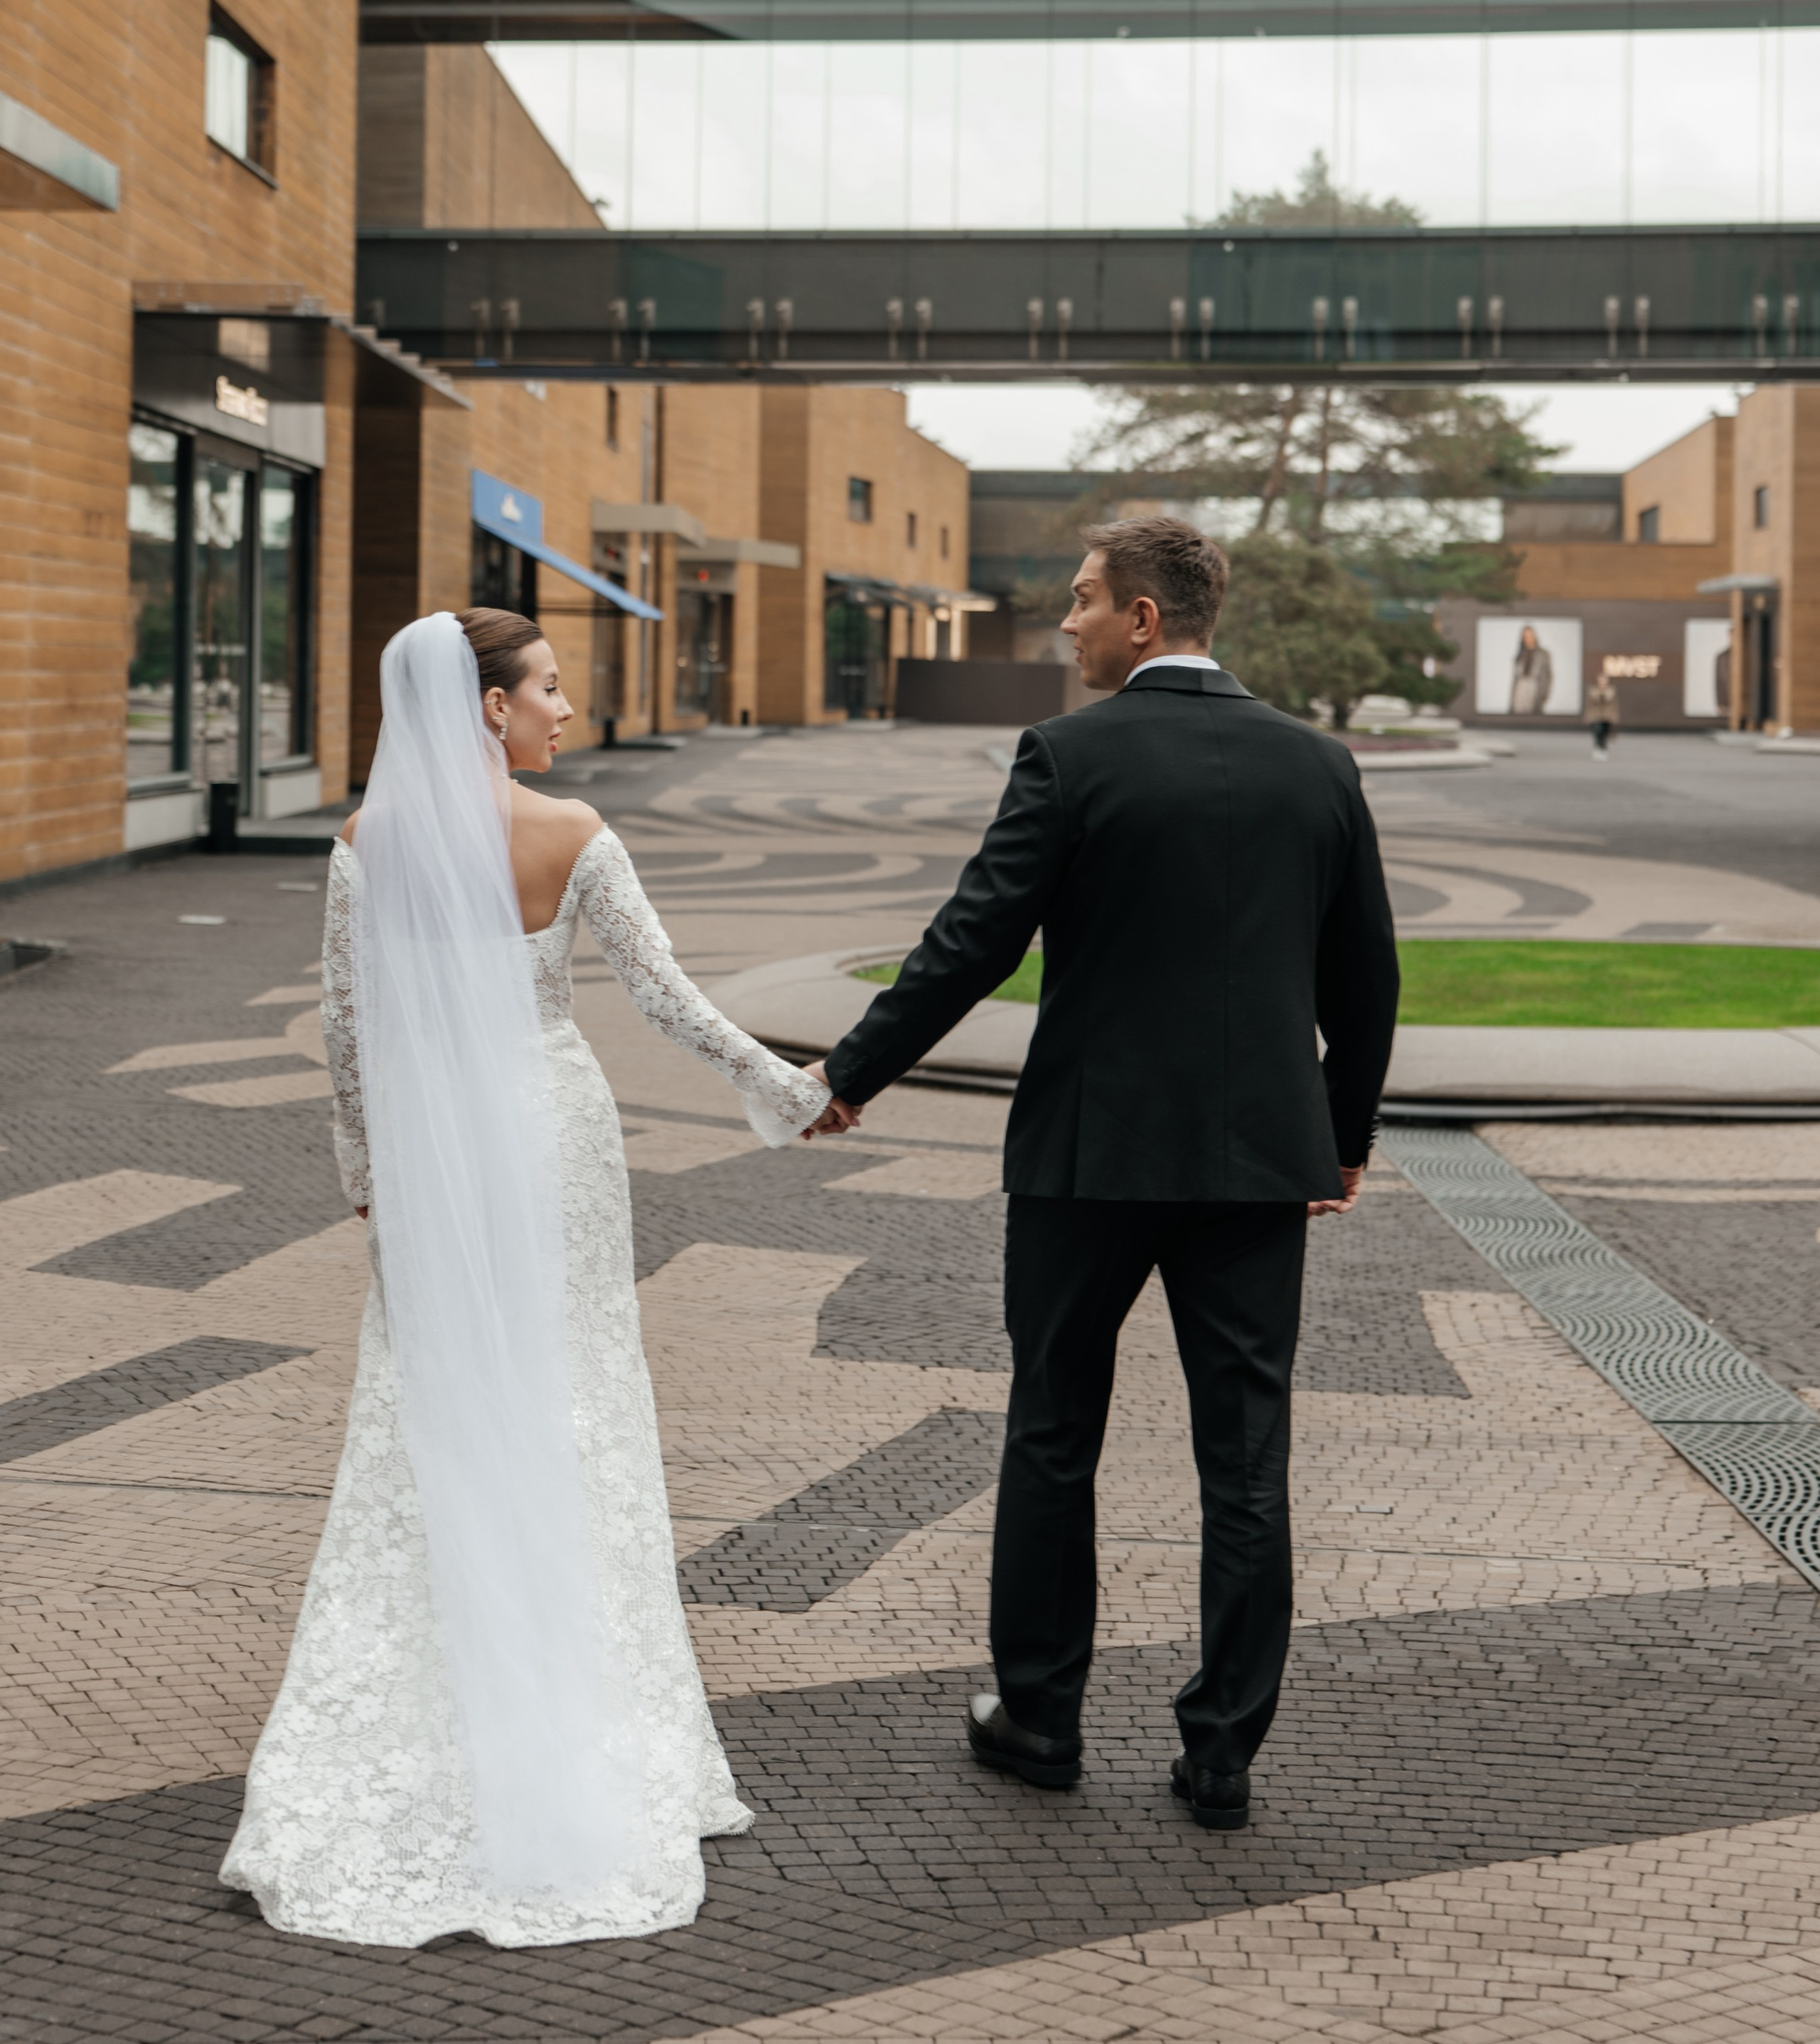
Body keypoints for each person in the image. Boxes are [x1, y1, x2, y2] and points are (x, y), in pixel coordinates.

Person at [221, 609, 850, 1947]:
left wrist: (368, 1182)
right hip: (551, 1134)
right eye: (550, 690)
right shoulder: (573, 838)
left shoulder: (362, 843)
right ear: (491, 709)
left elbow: (347, 1034)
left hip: (432, 1150)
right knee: (574, 1405)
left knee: (433, 1415)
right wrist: (788, 1090)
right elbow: (668, 999)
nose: (569, 711)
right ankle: (583, 1715)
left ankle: (429, 1705)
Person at [809, 518, 1399, 1833]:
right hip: (1257, 1167)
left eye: (1079, 602)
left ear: (1142, 618)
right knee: (1246, 1455)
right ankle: (1222, 1753)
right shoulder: (1319, 766)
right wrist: (1342, 1138)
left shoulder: (1070, 757)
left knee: (1053, 1429)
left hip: (1089, 1158)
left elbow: (974, 940)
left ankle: (1040, 1717)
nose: (1062, 624)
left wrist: (855, 1070)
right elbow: (1368, 977)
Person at [1509, 624, 1553, 716]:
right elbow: (1515, 680)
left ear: (1534, 636)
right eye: (1525, 636)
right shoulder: (1520, 655)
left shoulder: (1543, 654)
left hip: (1534, 688)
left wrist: (1543, 698)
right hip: (1520, 690)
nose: (1528, 638)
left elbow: (1547, 677)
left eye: (1530, 635)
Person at [1587, 668, 1618, 759]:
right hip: (1596, 716)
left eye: (1604, 679)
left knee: (1605, 733)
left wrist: (1615, 717)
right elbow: (1590, 704)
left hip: (1607, 716)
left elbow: (1614, 705)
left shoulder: (1611, 690)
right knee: (1598, 731)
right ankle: (1597, 748)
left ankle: (1604, 748)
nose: (1602, 681)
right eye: (1601, 679)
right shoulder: (1593, 689)